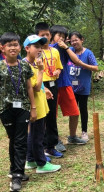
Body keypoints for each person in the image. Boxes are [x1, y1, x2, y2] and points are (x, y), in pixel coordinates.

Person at [0, 32, 36, 192]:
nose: (13, 48)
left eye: (15, 45)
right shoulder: (1, 67)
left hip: (23, 108)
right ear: (2, 48)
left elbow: (29, 87)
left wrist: (33, 108)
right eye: (9, 45)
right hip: (5, 109)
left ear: (20, 47)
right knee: (13, 138)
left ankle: (17, 175)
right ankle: (15, 168)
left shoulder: (25, 65)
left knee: (20, 140)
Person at [23, 35, 61, 173]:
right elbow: (36, 87)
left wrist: (47, 90)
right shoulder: (27, 65)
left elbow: (40, 87)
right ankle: (41, 164)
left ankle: (31, 159)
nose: (39, 49)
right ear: (27, 48)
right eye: (36, 47)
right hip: (35, 106)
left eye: (40, 47)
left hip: (40, 103)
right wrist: (40, 70)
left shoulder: (34, 62)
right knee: (38, 135)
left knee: (33, 133)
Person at [49, 25, 87, 146]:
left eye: (64, 37)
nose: (61, 38)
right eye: (59, 35)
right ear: (52, 36)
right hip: (52, 85)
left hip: (65, 83)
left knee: (74, 111)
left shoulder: (65, 49)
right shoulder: (48, 48)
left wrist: (66, 47)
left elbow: (76, 61)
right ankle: (55, 140)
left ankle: (72, 136)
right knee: (52, 115)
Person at [35, 22, 64, 157]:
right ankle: (41, 147)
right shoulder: (37, 52)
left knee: (52, 115)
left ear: (50, 35)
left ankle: (51, 146)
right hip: (42, 84)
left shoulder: (55, 51)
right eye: (42, 35)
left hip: (53, 83)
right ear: (37, 36)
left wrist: (58, 71)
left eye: (47, 34)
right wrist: (43, 88)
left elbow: (59, 66)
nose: (45, 37)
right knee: (42, 117)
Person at [68, 31, 98, 141]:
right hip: (71, 87)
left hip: (83, 87)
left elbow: (95, 68)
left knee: (83, 109)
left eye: (76, 40)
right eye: (72, 41)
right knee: (73, 110)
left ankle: (84, 131)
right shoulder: (69, 51)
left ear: (82, 39)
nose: (74, 42)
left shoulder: (88, 53)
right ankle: (72, 133)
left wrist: (82, 64)